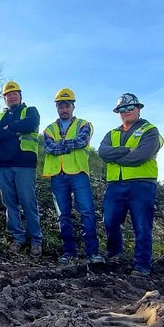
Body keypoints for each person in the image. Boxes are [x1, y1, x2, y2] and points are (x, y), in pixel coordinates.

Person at [97, 93, 163, 276]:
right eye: (121, 109)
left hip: (142, 184)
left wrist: (117, 157)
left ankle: (142, 265)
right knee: (110, 221)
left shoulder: (150, 130)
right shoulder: (112, 133)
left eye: (129, 108)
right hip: (115, 185)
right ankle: (114, 256)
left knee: (142, 225)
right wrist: (127, 150)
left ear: (139, 108)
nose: (125, 112)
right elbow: (103, 152)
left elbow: (143, 155)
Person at [41, 88, 104, 265]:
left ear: (73, 106)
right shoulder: (49, 129)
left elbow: (81, 141)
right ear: (56, 108)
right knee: (63, 215)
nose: (64, 109)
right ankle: (69, 252)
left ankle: (92, 252)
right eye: (61, 106)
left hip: (78, 174)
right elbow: (49, 148)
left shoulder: (84, 124)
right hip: (57, 176)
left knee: (87, 212)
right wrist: (67, 145)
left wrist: (60, 144)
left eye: (67, 106)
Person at [0, 80, 42, 256]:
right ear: (4, 99)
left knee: (28, 202)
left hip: (24, 164)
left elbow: (30, 124)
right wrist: (16, 130)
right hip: (3, 165)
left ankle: (35, 239)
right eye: (8, 95)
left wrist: (9, 128)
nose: (11, 97)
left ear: (20, 95)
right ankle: (17, 238)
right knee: (10, 204)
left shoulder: (31, 111)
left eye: (14, 94)